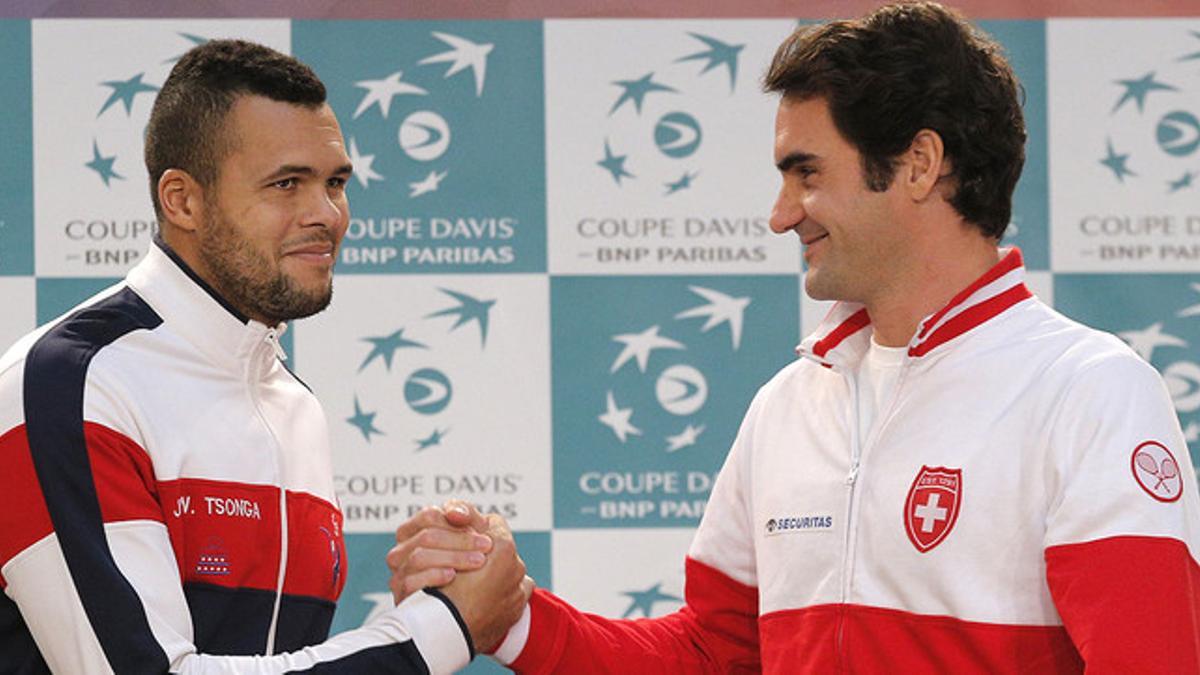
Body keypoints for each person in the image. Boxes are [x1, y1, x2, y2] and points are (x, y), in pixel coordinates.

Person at [390, 3, 1200, 672]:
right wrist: (513, 617)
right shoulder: (788, 402)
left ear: (919, 164)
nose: (780, 213)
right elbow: (714, 655)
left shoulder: (1090, 389)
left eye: (807, 172)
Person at [0, 39, 529, 673]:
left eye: (334, 183)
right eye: (287, 184)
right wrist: (437, 629)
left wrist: (433, 591)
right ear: (182, 200)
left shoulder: (293, 403)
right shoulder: (73, 382)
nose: (326, 215)